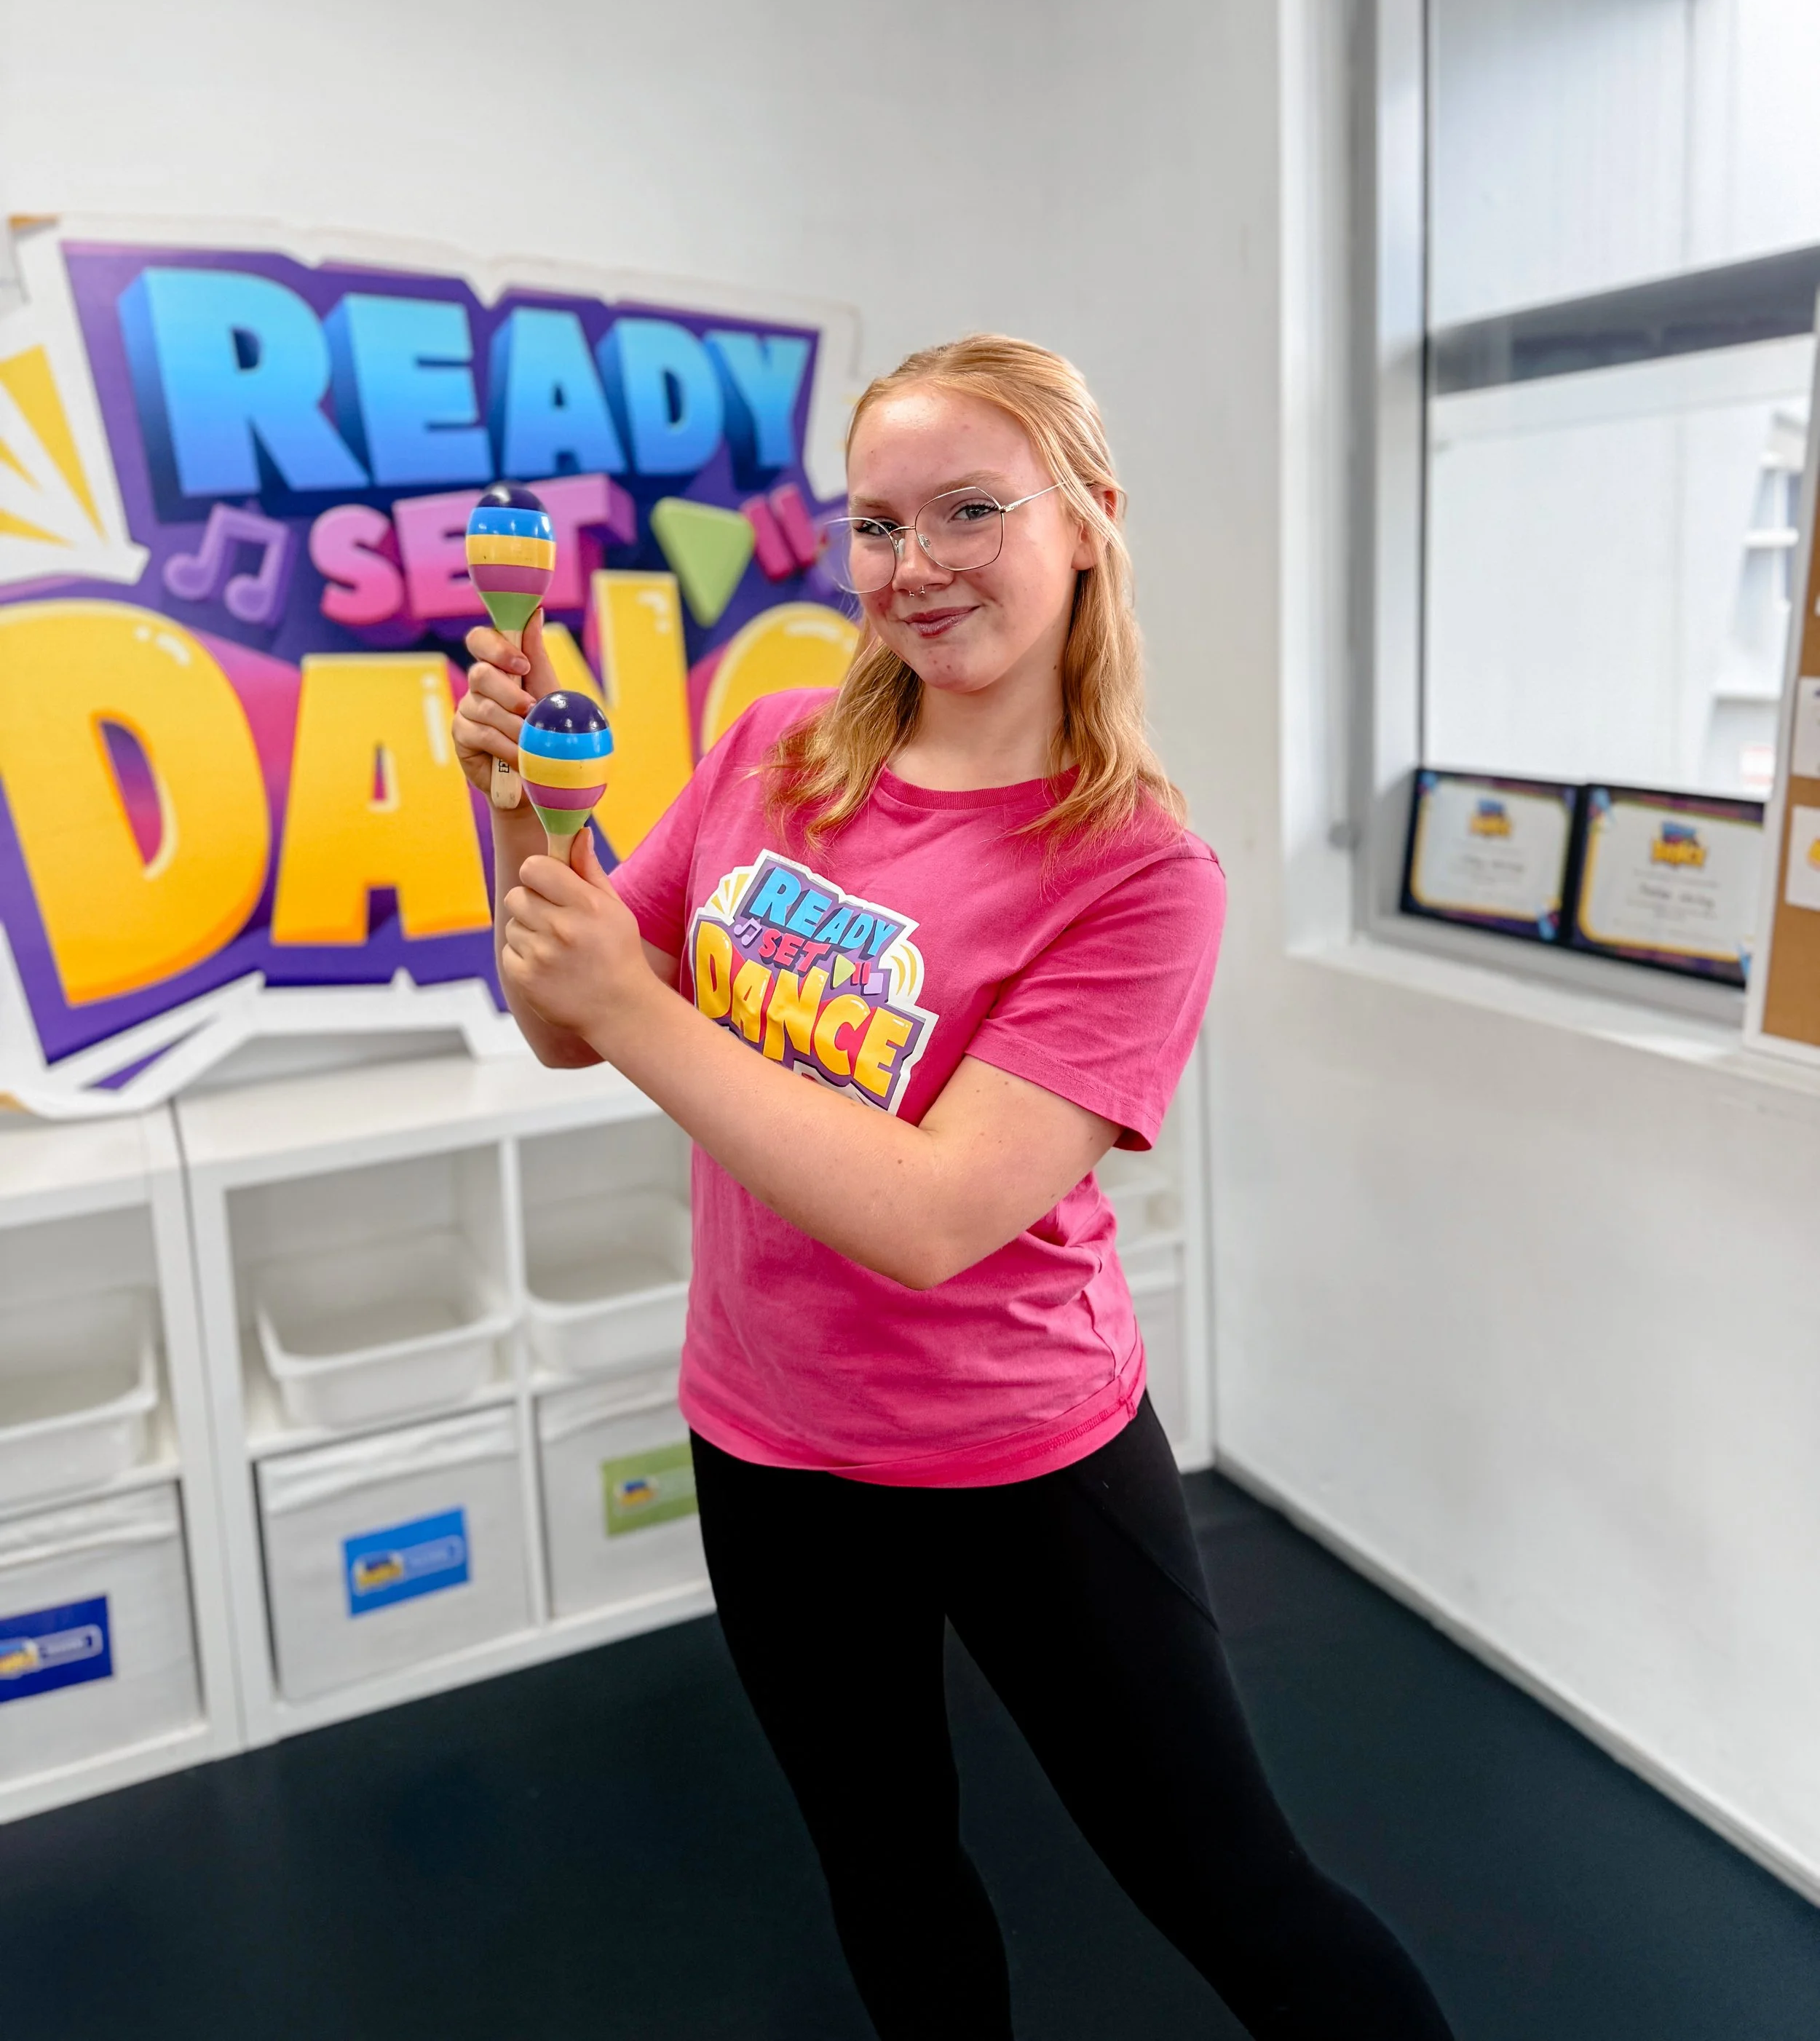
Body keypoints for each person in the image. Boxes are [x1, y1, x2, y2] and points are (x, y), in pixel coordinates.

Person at [454, 336, 1454, 2041]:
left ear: (1085, 519)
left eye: (970, 510)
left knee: (1229, 1888)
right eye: (875, 526)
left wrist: (634, 1002)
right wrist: (519, 817)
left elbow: (929, 1215)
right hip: (768, 1439)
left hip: (1023, 1452)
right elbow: (556, 1023)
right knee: (887, 1874)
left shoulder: (1137, 870)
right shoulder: (773, 749)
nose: (914, 570)